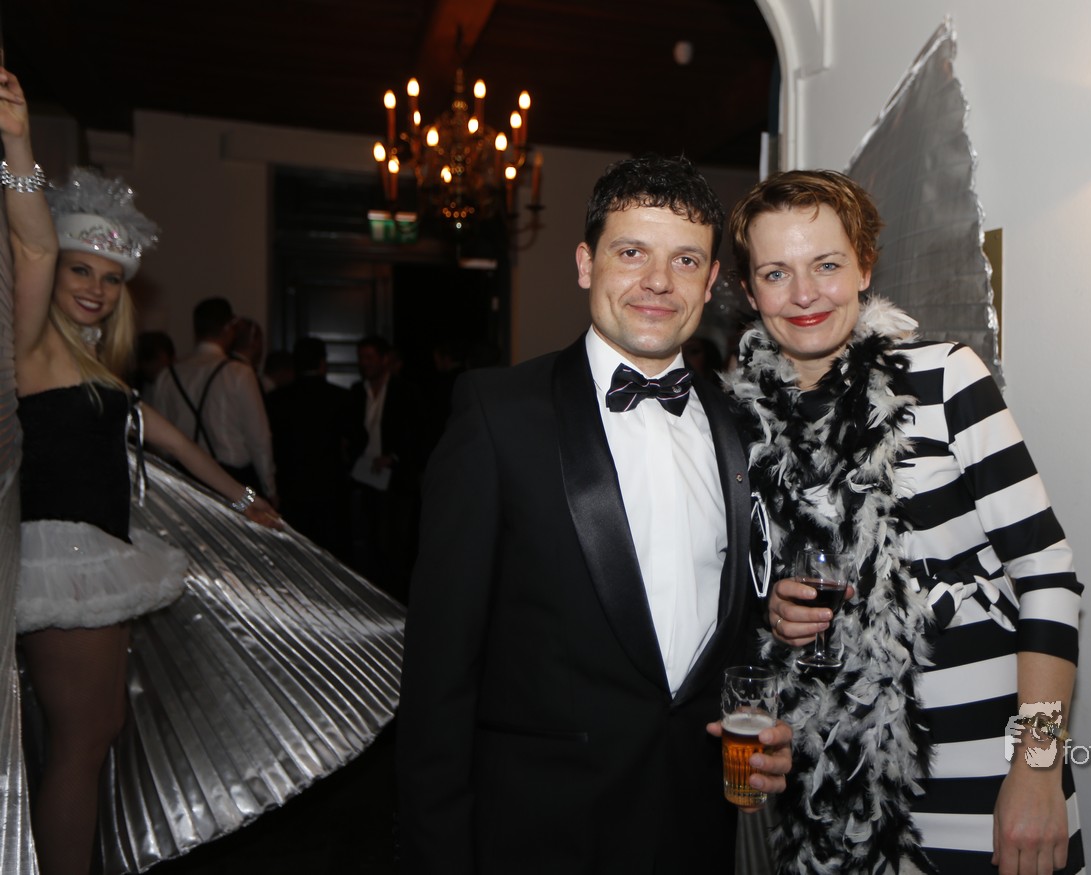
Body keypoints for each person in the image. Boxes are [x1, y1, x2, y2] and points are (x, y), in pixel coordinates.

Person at [397, 154, 794, 874]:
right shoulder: (498, 415)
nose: (658, 281)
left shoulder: (741, 425)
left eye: (684, 260)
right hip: (541, 832)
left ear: (710, 281)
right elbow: (438, 671)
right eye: (631, 252)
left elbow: (741, 620)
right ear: (586, 264)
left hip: (694, 823)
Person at [723, 170, 1084, 874]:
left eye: (827, 265)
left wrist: (1038, 766)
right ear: (749, 291)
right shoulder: (738, 431)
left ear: (863, 268)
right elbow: (734, 597)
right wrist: (769, 611)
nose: (804, 294)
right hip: (829, 790)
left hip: (989, 778)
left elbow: (1048, 575)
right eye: (776, 273)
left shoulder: (945, 380)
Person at [0, 68, 281, 875]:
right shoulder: (31, 347)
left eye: (111, 277)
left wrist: (245, 497)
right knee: (83, 740)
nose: (95, 287)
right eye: (80, 270)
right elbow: (32, 241)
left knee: (87, 738)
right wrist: (18, 143)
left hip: (95, 551)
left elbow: (172, 442)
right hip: (63, 557)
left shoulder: (97, 370)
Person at [147, 295, 277, 501]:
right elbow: (258, 439)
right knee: (238, 523)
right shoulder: (239, 373)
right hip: (235, 479)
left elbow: (159, 444)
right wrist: (269, 489)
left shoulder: (167, 375)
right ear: (228, 328)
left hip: (184, 481)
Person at [267, 336, 362, 558]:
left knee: (295, 555)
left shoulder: (276, 399)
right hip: (330, 490)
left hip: (291, 489)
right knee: (333, 555)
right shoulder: (340, 397)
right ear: (322, 363)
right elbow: (359, 438)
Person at [347, 335, 427, 599]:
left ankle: (395, 597)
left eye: (369, 357)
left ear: (384, 360)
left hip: (396, 479)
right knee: (366, 538)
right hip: (364, 474)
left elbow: (418, 434)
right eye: (361, 358)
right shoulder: (356, 391)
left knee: (395, 543)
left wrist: (394, 457)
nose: (364, 363)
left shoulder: (406, 391)